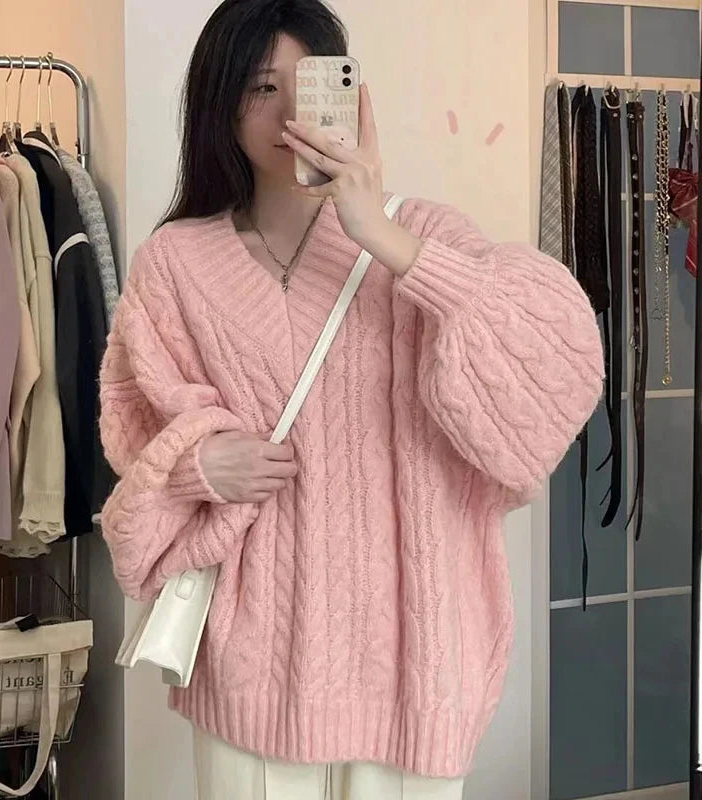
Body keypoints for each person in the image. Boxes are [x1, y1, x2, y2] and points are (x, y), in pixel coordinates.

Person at [99, 1, 604, 798]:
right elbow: (136, 432)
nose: (291, 115)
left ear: (350, 94)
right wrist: (199, 465)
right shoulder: (175, 263)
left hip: (414, 662)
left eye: (312, 85)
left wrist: (383, 237)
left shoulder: (422, 232)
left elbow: (555, 367)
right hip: (254, 668)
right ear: (220, 102)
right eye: (262, 87)